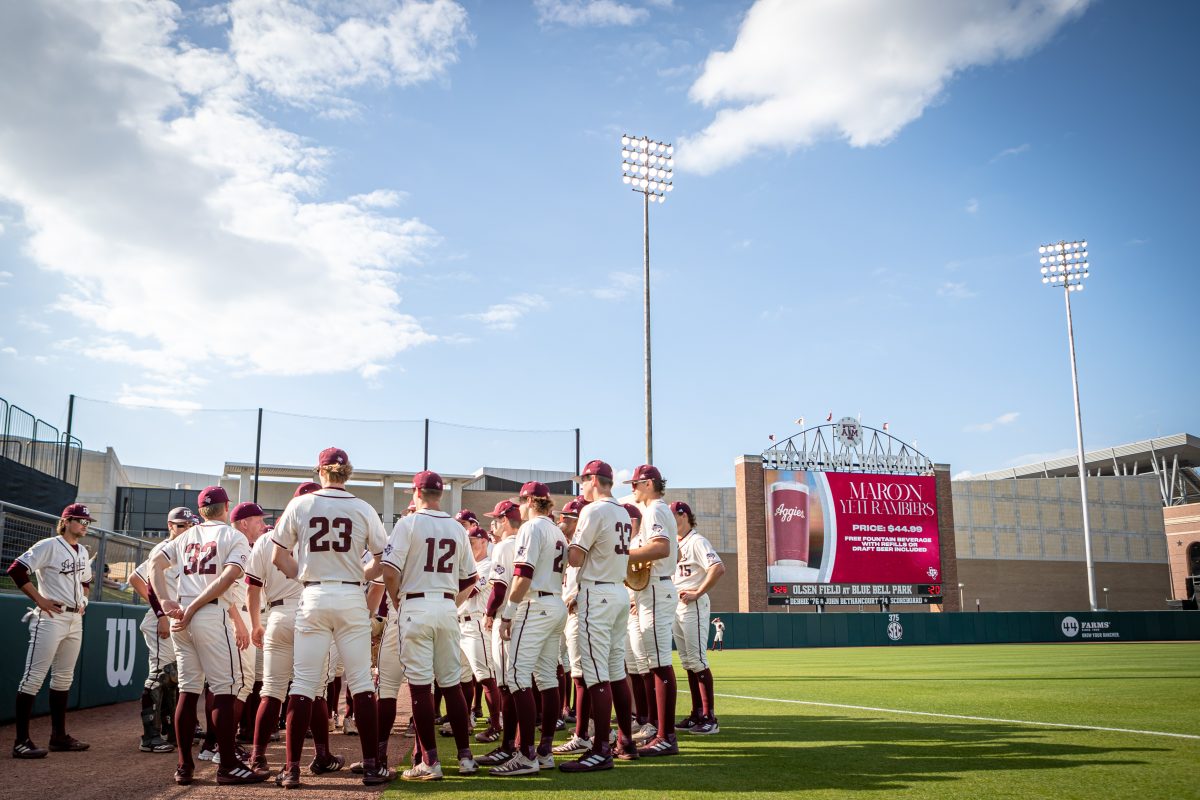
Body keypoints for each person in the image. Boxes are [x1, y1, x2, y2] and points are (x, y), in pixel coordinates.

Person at [270, 447, 389, 788]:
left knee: (305, 683)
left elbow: (279, 556)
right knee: (362, 682)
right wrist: (360, 571)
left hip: (313, 594)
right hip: (351, 594)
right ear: (347, 472)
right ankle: (370, 766)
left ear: (320, 471)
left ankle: (292, 769)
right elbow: (381, 560)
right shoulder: (363, 507)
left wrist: (304, 575)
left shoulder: (301, 503)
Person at [150, 486, 265, 786]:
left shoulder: (184, 536)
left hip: (182, 617)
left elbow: (154, 564)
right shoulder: (232, 536)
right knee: (225, 689)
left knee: (188, 691)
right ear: (227, 507)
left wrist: (164, 601)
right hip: (210, 614)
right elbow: (229, 576)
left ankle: (184, 766)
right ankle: (227, 764)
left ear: (201, 511)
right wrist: (194, 607)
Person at [381, 470, 478, 781]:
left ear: (416, 492)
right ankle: (466, 758)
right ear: (441, 494)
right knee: (451, 684)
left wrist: (398, 602)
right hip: (447, 605)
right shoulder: (457, 528)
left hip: (416, 604)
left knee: (421, 686)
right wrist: (451, 603)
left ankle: (430, 762)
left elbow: (390, 571)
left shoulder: (408, 523)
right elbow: (470, 577)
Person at [559, 460, 636, 773]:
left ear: (593, 480)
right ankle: (625, 741)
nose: (581, 485)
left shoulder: (593, 510)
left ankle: (601, 749)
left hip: (597, 593)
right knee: (616, 669)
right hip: (618, 591)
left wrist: (561, 541)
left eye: (583, 480)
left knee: (595, 673)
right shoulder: (622, 510)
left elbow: (576, 557)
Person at [490, 482, 568, 776]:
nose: (519, 506)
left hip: (535, 605)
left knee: (517, 677)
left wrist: (508, 612)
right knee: (546, 678)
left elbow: (523, 575)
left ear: (529, 501)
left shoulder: (531, 528)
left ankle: (526, 754)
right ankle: (545, 750)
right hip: (555, 603)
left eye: (521, 501)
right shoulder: (556, 530)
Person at [7, 503, 95, 759]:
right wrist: (39, 600)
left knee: (64, 678)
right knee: (33, 678)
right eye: (80, 520)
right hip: (50, 618)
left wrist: (85, 601)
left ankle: (59, 736)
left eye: (87, 522)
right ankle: (21, 741)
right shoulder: (49, 545)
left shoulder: (81, 552)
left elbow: (86, 581)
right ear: (66, 521)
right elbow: (16, 569)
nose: (84, 525)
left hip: (74, 618)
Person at [245, 488, 306, 774]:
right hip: (312, 613)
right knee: (309, 692)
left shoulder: (267, 539)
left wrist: (256, 623)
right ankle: (311, 759)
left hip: (277, 614)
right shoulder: (319, 535)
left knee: (271, 691)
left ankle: (257, 757)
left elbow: (253, 586)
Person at [128, 506, 194, 754]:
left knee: (174, 677)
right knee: (159, 675)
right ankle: (149, 736)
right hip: (161, 621)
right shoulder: (162, 549)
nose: (185, 529)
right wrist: (160, 614)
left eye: (189, 525)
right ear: (170, 526)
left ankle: (169, 729)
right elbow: (137, 579)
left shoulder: (187, 550)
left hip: (177, 619)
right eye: (180, 525)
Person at [626, 464, 680, 757]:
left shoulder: (656, 509)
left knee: (659, 663)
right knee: (653, 662)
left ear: (648, 484)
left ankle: (666, 735)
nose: (632, 488)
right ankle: (660, 731)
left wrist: (626, 554)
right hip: (653, 588)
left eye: (635, 483)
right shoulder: (655, 511)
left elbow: (661, 548)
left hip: (658, 588)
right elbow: (671, 551)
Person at [670, 501, 725, 735]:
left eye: (671, 515)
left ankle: (709, 717)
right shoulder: (676, 543)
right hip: (677, 606)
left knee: (698, 660)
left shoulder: (697, 540)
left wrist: (698, 591)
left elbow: (718, 567)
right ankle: (696, 715)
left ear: (683, 516)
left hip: (693, 605)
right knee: (688, 662)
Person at [476, 500, 521, 767]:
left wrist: (490, 612)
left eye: (495, 520)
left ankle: (510, 746)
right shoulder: (529, 540)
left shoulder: (505, 545)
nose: (492, 525)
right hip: (528, 613)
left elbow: (499, 588)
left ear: (505, 520)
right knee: (519, 682)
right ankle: (517, 744)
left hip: (508, 615)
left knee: (507, 683)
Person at [551, 497, 592, 757]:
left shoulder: (584, 544)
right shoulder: (568, 545)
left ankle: (585, 733)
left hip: (581, 609)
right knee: (575, 670)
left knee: (582, 672)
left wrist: (579, 595)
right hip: (567, 610)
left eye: (566, 517)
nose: (560, 520)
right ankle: (589, 728)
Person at [457, 513, 500, 744]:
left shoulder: (488, 565)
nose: (469, 547)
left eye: (472, 542)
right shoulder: (467, 565)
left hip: (476, 623)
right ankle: (465, 720)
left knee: (485, 676)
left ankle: (495, 724)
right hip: (459, 623)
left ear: (484, 541)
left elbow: (470, 591)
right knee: (463, 677)